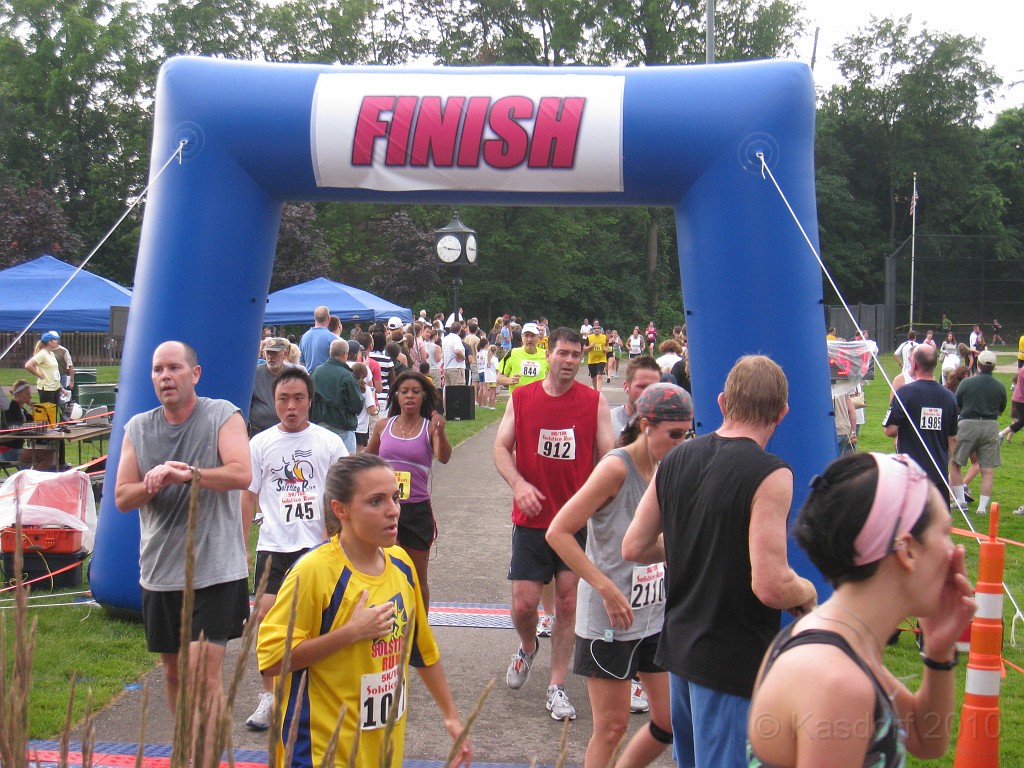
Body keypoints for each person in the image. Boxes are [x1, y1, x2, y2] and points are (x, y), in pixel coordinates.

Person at [622, 355, 817, 767]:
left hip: (679, 650)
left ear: (723, 402)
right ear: (781, 413)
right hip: (731, 660)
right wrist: (807, 591)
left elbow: (635, 546)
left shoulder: (676, 458)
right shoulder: (771, 473)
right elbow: (770, 584)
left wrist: (692, 543)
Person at [747, 452, 975, 768]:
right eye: (945, 534)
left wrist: (938, 652)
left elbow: (926, 739)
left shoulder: (830, 639)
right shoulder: (838, 683)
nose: (955, 552)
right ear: (907, 550)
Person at [256, 454, 471, 768]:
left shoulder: (401, 565)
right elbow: (271, 659)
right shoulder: (314, 572)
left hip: (381, 750)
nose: (393, 511)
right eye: (375, 502)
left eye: (395, 498)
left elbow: (422, 650)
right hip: (317, 753)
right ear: (340, 510)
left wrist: (452, 716)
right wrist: (350, 633)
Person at [547, 384, 692, 768]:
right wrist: (604, 586)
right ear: (646, 425)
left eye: (687, 433)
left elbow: (653, 542)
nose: (682, 442)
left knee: (669, 721)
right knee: (611, 728)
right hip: (609, 619)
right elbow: (558, 532)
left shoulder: (665, 467)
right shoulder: (615, 467)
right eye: (674, 434)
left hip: (652, 614)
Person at [114, 341, 251, 734]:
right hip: (160, 571)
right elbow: (123, 496)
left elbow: (241, 473)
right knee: (174, 676)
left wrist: (187, 474)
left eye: (174, 368)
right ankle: (188, 749)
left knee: (202, 675)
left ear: (195, 374)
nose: (164, 377)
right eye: (157, 370)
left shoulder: (222, 415)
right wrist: (152, 484)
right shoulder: (138, 427)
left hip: (215, 571)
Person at [493, 327, 615, 721]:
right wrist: (519, 484)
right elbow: (501, 447)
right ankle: (528, 647)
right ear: (549, 355)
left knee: (566, 601)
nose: (569, 361)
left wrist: (596, 501)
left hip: (574, 520)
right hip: (531, 519)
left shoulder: (593, 401)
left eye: (576, 355)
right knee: (524, 603)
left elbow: (608, 456)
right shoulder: (522, 397)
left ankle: (556, 685)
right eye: (563, 353)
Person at [241, 367, 348, 731]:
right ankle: (269, 696)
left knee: (321, 622)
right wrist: (243, 545)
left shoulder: (329, 443)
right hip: (274, 546)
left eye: (298, 399)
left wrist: (341, 538)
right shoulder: (259, 444)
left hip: (318, 547)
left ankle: (319, 693)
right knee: (266, 620)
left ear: (310, 401)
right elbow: (248, 496)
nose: (290, 406)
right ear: (274, 402)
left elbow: (342, 494)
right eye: (283, 399)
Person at [367, 371, 451, 609]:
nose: (410, 396)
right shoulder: (384, 426)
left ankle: (420, 632)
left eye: (415, 391)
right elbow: (366, 460)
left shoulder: (429, 428)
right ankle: (388, 625)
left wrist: (441, 432)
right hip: (384, 509)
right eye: (404, 392)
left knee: (416, 575)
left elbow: (444, 457)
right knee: (384, 570)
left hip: (416, 509)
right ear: (396, 396)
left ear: (424, 396)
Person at [882, 344, 959, 493]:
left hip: (909, 475)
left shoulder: (905, 393)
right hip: (938, 473)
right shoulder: (949, 397)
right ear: (935, 364)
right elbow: (953, 439)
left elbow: (889, 430)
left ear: (915, 364)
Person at [949, 349, 1007, 515]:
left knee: (956, 462)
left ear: (978, 364)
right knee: (987, 469)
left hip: (968, 424)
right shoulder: (1000, 386)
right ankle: (982, 508)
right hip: (991, 426)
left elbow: (957, 404)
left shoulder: (967, 383)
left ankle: (960, 501)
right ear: (994, 367)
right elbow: (1002, 408)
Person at [310, 338, 363, 454]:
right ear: (345, 355)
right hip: (342, 427)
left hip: (320, 425)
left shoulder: (316, 372)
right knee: (346, 467)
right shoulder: (347, 376)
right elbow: (357, 405)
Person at [24, 330, 68, 468]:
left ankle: (58, 456)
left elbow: (54, 372)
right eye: (55, 340)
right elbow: (28, 365)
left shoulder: (51, 354)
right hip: (46, 388)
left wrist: (61, 387)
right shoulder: (42, 354)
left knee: (53, 420)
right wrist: (39, 375)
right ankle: (46, 447)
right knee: (47, 418)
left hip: (54, 387)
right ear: (49, 342)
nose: (57, 342)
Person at [1, 380, 54, 469]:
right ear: (17, 394)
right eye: (27, 394)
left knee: (47, 454)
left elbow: (34, 422)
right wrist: (31, 426)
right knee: (48, 456)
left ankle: (28, 478)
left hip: (16, 448)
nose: (30, 396)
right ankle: (30, 480)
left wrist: (35, 410)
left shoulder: (22, 410)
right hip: (7, 451)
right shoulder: (11, 407)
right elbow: (15, 427)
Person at [248, 337, 294, 436]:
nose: (270, 357)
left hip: (286, 432)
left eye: (274, 353)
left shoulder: (292, 375)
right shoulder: (254, 374)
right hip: (259, 432)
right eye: (268, 353)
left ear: (285, 354)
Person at [610, 356, 663, 435]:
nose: (647, 393)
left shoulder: (668, 428)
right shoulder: (607, 423)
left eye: (654, 387)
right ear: (626, 386)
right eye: (642, 387)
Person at [498, 322, 548, 392]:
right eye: (526, 336)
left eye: (533, 336)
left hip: (538, 400)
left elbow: (555, 378)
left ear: (538, 338)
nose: (529, 339)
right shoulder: (513, 353)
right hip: (517, 399)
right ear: (522, 337)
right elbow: (498, 377)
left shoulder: (546, 355)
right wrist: (511, 380)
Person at [298, 306, 336, 371]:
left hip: (309, 378)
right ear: (328, 318)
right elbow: (337, 362)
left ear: (314, 318)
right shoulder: (332, 338)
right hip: (326, 377)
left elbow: (301, 362)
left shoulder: (304, 337)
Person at [999, 371, 1024, 445]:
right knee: (1020, 421)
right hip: (1020, 399)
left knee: (1020, 421)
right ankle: (1001, 434)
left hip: (1018, 398)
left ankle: (1001, 435)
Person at [584, 322, 610, 391]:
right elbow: (584, 348)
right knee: (593, 377)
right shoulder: (589, 337)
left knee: (599, 376)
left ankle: (598, 393)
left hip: (602, 359)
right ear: (593, 329)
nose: (596, 330)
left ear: (600, 329)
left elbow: (607, 344)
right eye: (595, 328)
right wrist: (590, 347)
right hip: (592, 360)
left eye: (598, 328)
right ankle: (595, 391)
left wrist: (606, 349)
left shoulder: (604, 337)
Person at [441, 321, 467, 388]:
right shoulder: (456, 338)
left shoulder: (445, 339)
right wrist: (463, 357)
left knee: (449, 392)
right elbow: (457, 351)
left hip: (447, 367)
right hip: (456, 368)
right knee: (458, 390)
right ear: (459, 330)